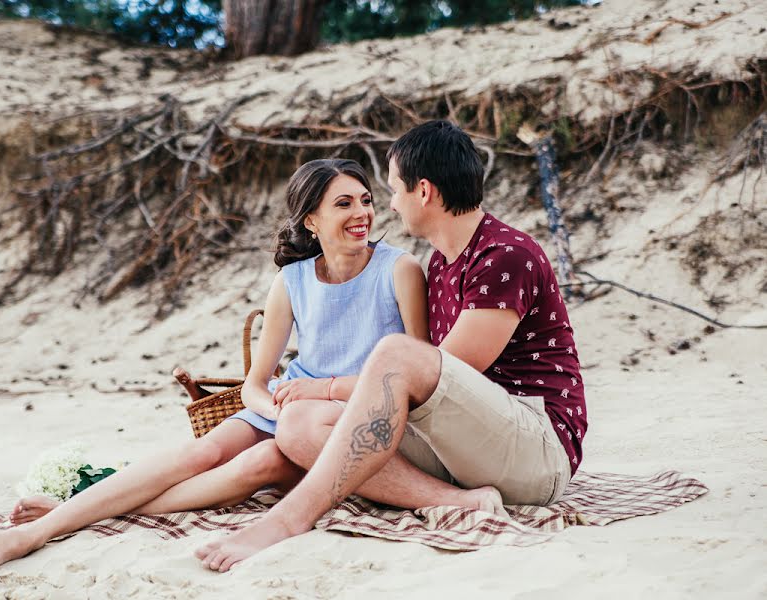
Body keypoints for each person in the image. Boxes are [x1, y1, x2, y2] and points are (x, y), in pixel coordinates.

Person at [0, 158, 504, 569]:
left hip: (348, 412)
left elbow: (413, 365)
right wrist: (268, 406)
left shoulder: (400, 269)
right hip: (288, 405)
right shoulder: (291, 281)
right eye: (344, 204)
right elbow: (256, 381)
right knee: (204, 451)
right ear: (311, 219)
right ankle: (46, 526)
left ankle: (73, 510)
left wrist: (312, 401)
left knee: (257, 467)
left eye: (365, 200)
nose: (363, 214)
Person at [195, 120, 588, 572]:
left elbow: (450, 372)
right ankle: (462, 501)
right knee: (300, 425)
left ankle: (288, 519)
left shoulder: (505, 254)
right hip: (465, 448)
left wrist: (326, 388)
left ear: (423, 192)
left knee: (395, 352)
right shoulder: (440, 262)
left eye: (394, 189)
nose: (390, 204)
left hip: (535, 451)